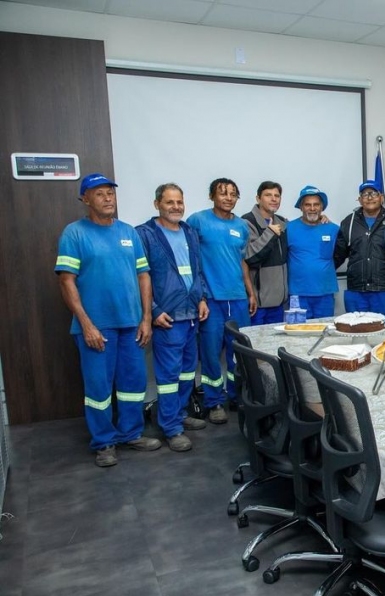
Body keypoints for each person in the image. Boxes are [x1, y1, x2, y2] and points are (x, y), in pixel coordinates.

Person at [55, 173, 161, 467]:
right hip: (96, 327)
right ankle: (104, 442)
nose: (107, 198)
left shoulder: (129, 232)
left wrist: (146, 318)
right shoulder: (74, 233)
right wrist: (86, 324)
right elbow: (66, 281)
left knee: (133, 382)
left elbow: (143, 276)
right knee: (99, 389)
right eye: (99, 194)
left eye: (110, 193)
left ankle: (131, 433)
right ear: (85, 199)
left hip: (132, 325)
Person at [135, 183, 209, 452]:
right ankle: (171, 428)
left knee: (188, 371)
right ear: (157, 204)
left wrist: (201, 298)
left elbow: (197, 270)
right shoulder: (145, 234)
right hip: (167, 316)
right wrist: (153, 311)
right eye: (169, 202)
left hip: (191, 313)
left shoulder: (188, 231)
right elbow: (139, 277)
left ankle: (179, 414)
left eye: (179, 202)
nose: (176, 207)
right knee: (168, 377)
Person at [187, 178, 257, 425]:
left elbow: (242, 261)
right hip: (212, 300)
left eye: (233, 194)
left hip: (238, 298)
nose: (228, 197)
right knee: (210, 352)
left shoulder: (242, 226)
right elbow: (191, 260)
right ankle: (214, 401)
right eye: (222, 193)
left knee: (238, 353)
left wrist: (250, 292)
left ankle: (236, 396)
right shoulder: (198, 221)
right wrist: (200, 296)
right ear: (211, 196)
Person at [334, 180, 385, 322]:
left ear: (381, 197)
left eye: (374, 193)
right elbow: (338, 255)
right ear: (359, 199)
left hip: (384, 290)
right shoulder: (348, 222)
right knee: (356, 333)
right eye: (365, 194)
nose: (369, 197)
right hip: (356, 291)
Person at [287, 185, 340, 319]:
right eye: (307, 205)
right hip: (297, 294)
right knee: (299, 336)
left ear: (322, 207)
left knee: (324, 333)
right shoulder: (288, 228)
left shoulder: (333, 229)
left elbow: (340, 254)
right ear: (301, 207)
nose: (312, 208)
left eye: (316, 204)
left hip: (325, 293)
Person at [242, 181, 288, 326]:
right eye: (268, 195)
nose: (274, 199)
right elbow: (251, 257)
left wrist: (322, 219)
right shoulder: (246, 221)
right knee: (255, 346)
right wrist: (270, 232)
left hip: (279, 302)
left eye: (277, 196)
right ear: (258, 198)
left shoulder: (283, 223)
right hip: (258, 303)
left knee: (275, 345)